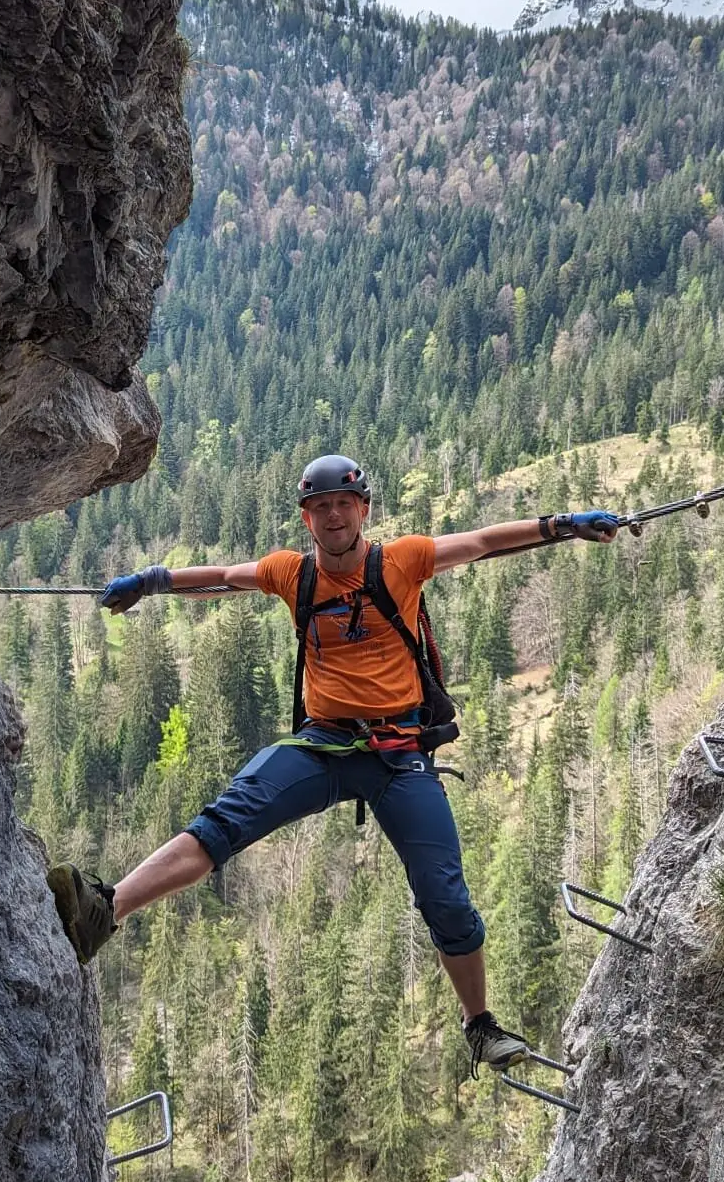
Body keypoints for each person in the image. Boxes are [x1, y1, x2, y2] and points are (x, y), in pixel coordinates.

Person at [49, 454, 618, 1074]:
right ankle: (108, 909)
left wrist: (562, 525)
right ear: (307, 518)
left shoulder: (400, 561)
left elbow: (482, 542)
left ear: (363, 509)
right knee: (224, 821)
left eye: (343, 505)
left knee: (444, 894)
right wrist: (153, 581)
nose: (334, 516)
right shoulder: (292, 574)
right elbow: (225, 576)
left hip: (400, 754)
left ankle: (478, 1025)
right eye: (321, 508)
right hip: (322, 746)